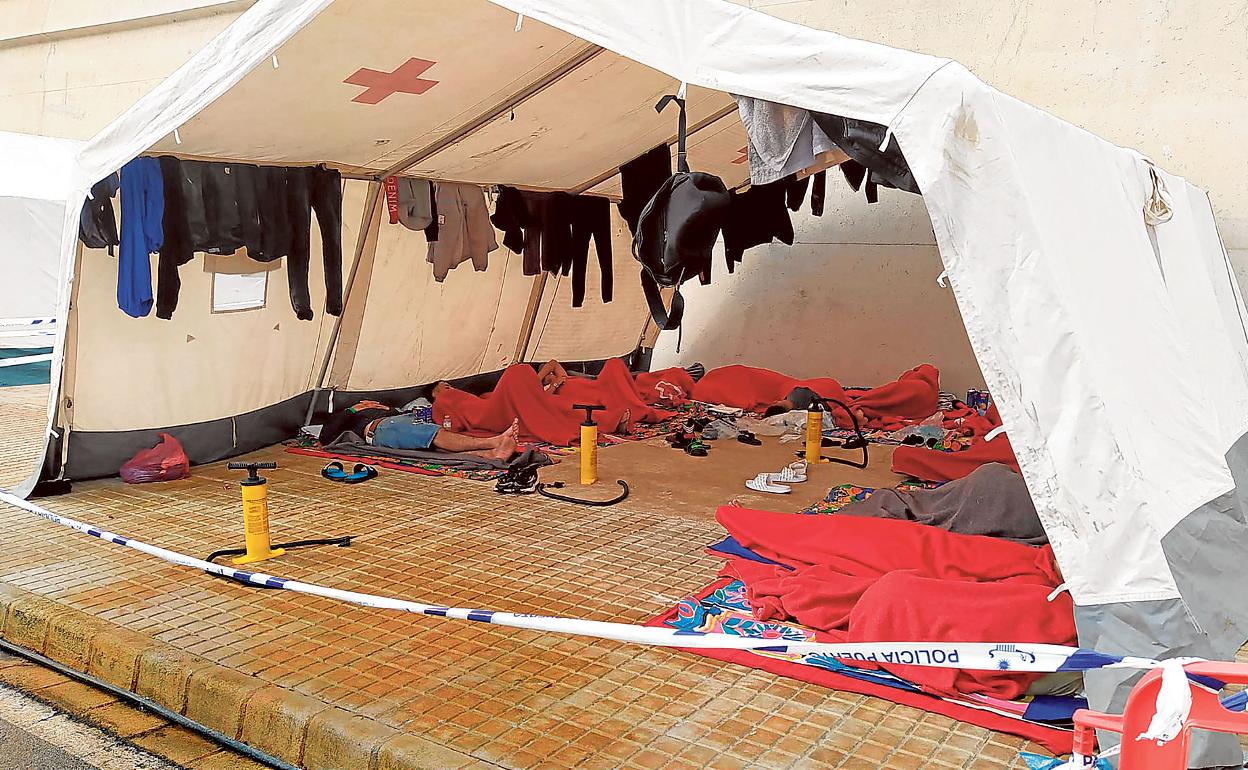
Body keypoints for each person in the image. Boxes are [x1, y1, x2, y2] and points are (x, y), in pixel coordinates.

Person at [320, 401, 519, 461]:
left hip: (399, 422)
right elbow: (326, 435)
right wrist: (356, 408)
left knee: (435, 446)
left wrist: (387, 409)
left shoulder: (385, 408)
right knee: (434, 434)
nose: (374, 403)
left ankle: (492, 454)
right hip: (384, 427)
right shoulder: (351, 415)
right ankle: (492, 442)